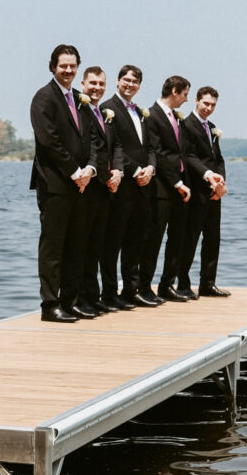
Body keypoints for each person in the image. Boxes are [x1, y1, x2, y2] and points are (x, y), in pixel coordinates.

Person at [29, 45, 100, 322]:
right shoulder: (43, 98)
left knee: (76, 245)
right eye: (63, 66)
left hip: (82, 185)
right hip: (56, 185)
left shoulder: (80, 100)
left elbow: (93, 139)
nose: (68, 71)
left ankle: (71, 301)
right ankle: (50, 305)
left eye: (72, 66)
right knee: (53, 247)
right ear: (52, 67)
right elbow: (49, 142)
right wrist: (74, 171)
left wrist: (91, 169)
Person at [100, 65, 158, 309]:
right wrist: (135, 170)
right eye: (126, 80)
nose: (130, 85)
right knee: (113, 242)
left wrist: (151, 168)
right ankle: (110, 293)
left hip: (144, 186)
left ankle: (131, 290)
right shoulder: (107, 109)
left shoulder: (142, 114)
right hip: (122, 186)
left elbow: (152, 147)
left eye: (134, 82)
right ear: (117, 81)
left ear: (139, 86)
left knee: (136, 240)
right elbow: (115, 146)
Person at [76, 67, 124, 314]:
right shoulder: (80, 110)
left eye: (101, 83)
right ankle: (80, 299)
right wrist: (105, 176)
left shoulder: (106, 113)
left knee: (97, 245)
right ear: (83, 83)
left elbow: (114, 146)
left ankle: (94, 297)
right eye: (92, 83)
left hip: (107, 187)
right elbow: (92, 148)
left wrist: (118, 171)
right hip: (90, 187)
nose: (97, 87)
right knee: (83, 246)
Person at [143, 75, 194, 301]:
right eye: (185, 94)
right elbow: (159, 154)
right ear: (174, 91)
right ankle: (144, 286)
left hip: (181, 187)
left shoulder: (175, 118)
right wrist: (176, 182)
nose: (186, 100)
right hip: (162, 188)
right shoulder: (152, 116)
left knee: (177, 238)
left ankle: (167, 285)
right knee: (154, 238)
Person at [181, 85, 230, 297]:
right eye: (205, 104)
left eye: (213, 105)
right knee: (190, 239)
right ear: (196, 101)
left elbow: (218, 159)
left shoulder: (212, 127)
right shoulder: (186, 126)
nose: (208, 108)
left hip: (214, 193)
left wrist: (221, 183)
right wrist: (209, 177)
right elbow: (189, 156)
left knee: (213, 239)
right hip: (196, 191)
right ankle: (183, 283)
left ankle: (208, 283)